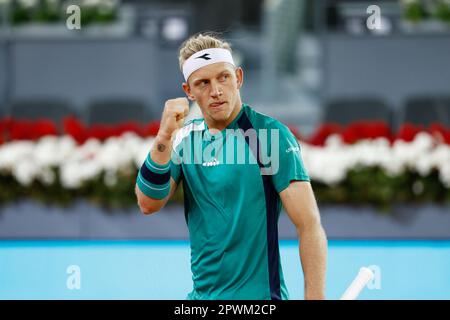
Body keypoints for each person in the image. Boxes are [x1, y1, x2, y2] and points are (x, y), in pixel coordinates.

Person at [135, 33, 327, 300]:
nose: (216, 90)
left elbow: (309, 224)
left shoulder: (271, 136)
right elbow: (148, 204)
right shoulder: (183, 139)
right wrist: (164, 136)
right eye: (203, 83)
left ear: (238, 78)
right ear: (188, 91)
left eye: (223, 77)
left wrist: (315, 297)